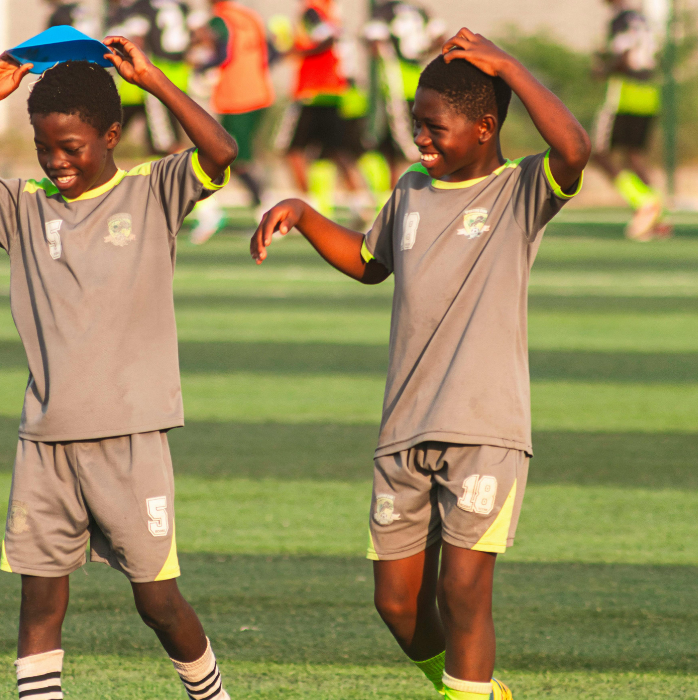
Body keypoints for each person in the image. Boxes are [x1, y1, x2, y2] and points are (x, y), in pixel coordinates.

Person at [251, 28, 590, 700]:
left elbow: (575, 149)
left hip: (484, 427)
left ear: (485, 127)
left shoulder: (519, 190)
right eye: (416, 123)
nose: (419, 139)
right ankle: (473, 691)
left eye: (434, 127)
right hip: (404, 427)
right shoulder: (409, 189)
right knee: (397, 603)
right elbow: (369, 263)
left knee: (463, 590)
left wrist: (508, 66)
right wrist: (305, 215)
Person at [0, 34, 237, 700]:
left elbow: (221, 152)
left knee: (158, 602)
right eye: (43, 147)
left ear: (111, 137)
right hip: (45, 441)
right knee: (39, 603)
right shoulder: (20, 204)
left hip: (129, 438)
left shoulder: (153, 191)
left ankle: (213, 695)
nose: (56, 161)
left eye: (71, 147)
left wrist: (155, 82)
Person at [186, 0, 276, 243]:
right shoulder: (250, 17)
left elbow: (224, 54)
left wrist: (201, 67)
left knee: (232, 158)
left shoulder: (220, 19)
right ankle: (255, 210)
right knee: (232, 157)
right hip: (259, 92)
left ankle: (266, 213)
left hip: (238, 98)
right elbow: (271, 52)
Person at [274, 0, 370, 218]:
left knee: (292, 151)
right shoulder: (331, 13)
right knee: (337, 151)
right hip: (333, 91)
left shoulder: (312, 12)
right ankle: (360, 203)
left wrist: (296, 52)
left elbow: (326, 39)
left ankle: (308, 206)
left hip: (312, 92)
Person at [592, 0, 669, 241]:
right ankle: (657, 218)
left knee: (599, 153)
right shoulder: (642, 18)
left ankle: (644, 202)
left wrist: (604, 69)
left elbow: (624, 55)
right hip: (649, 91)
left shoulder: (621, 20)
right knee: (634, 157)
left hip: (625, 92)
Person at [363, 0, 447, 185]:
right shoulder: (421, 11)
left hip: (395, 86)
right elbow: (441, 37)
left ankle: (408, 186)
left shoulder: (386, 11)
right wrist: (423, 52)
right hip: (419, 83)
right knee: (413, 138)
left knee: (402, 143)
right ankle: (409, 186)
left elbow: (374, 42)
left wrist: (381, 53)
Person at [106, 0, 192, 156]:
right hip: (177, 69)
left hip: (147, 68)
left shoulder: (140, 7)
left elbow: (137, 37)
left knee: (155, 118)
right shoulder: (180, 6)